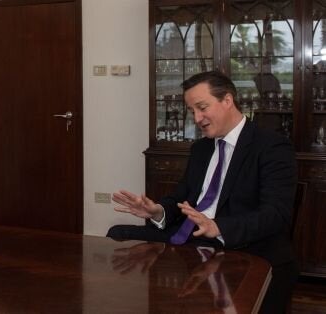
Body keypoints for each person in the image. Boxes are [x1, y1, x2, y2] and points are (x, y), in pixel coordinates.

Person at [107, 71, 297, 313]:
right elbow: (181, 197)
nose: (197, 117)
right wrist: (157, 211)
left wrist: (218, 227)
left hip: (243, 245)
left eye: (202, 107)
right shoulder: (201, 149)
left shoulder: (271, 146)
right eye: (191, 110)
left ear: (227, 101)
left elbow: (275, 214)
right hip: (192, 237)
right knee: (118, 232)